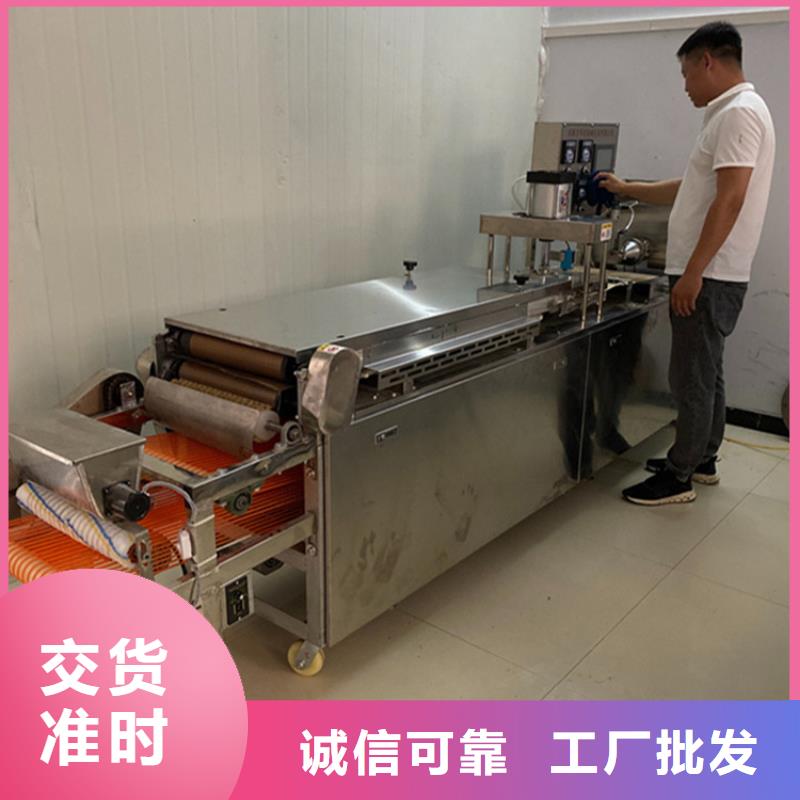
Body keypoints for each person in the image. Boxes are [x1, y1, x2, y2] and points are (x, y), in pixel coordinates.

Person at [597, 21, 775, 505]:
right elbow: (694, 187)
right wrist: (628, 188)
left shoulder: (738, 114)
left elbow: (731, 199)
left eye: (685, 74)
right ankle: (703, 457)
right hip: (715, 272)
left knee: (691, 377)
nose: (684, 86)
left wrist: (694, 271)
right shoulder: (733, 113)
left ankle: (679, 476)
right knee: (707, 372)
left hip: (710, 274)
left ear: (707, 61)